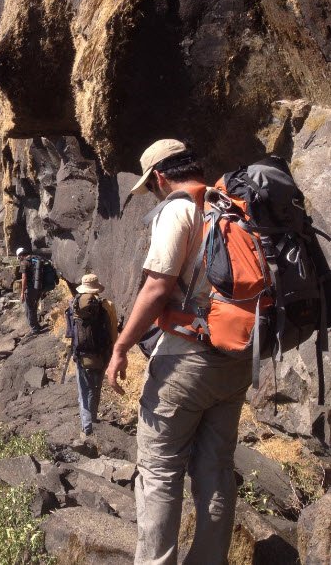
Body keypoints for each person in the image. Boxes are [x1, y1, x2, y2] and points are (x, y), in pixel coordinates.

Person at [106, 139, 252, 564]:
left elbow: (156, 287)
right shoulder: (231, 205)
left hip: (187, 359)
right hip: (239, 357)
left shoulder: (178, 208)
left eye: (150, 187)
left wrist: (120, 347)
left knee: (159, 471)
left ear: (159, 177)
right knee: (216, 468)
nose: (153, 194)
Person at [65, 274, 118, 437]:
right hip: (102, 354)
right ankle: (93, 419)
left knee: (83, 390)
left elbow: (70, 332)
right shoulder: (107, 305)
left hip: (81, 354)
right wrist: (113, 352)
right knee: (95, 387)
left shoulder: (72, 304)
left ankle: (86, 426)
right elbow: (113, 332)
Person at [17, 247, 43, 334]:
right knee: (34, 306)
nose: (19, 259)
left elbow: (24, 278)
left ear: (20, 255)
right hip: (39, 286)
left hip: (30, 288)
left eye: (18, 257)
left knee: (29, 308)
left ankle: (34, 328)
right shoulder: (36, 258)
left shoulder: (24, 262)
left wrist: (22, 292)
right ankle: (37, 325)